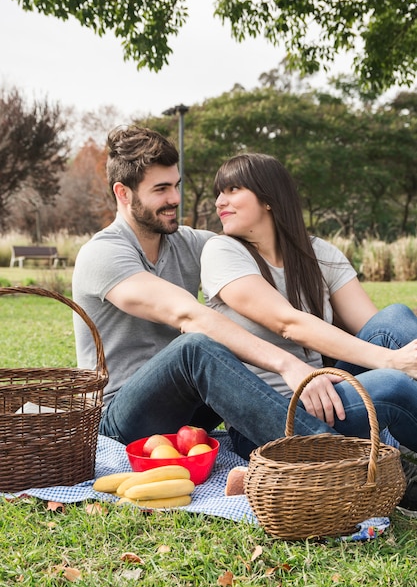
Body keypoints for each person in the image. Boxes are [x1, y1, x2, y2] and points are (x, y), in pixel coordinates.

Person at [72, 125, 349, 461]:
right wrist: (288, 365)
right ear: (123, 193)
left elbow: (257, 247)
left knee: (222, 343)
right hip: (122, 419)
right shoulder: (103, 254)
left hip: (192, 410)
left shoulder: (193, 244)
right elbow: (188, 316)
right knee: (196, 347)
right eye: (161, 189)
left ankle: (361, 433)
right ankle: (336, 456)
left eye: (176, 186)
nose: (174, 198)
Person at [200, 151, 417, 515]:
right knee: (393, 387)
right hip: (273, 412)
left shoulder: (317, 252)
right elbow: (288, 322)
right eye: (219, 192)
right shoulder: (222, 252)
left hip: (328, 394)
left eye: (233, 189)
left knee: (394, 317)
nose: (220, 201)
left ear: (268, 198)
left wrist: (398, 354)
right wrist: (392, 361)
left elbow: (373, 328)